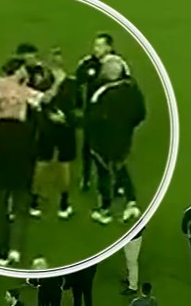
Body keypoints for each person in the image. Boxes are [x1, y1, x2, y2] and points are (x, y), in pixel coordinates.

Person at [0, 58, 64, 266]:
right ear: (17, 71)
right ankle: (15, 249)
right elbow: (45, 99)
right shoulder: (23, 91)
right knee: (20, 205)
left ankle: (1, 250)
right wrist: (58, 80)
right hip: (20, 142)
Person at [87, 55, 145, 225]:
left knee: (104, 173)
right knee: (120, 166)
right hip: (124, 137)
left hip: (103, 141)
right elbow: (140, 113)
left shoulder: (102, 94)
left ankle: (104, 209)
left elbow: (93, 119)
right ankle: (131, 202)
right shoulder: (132, 90)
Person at [75, 33, 130, 191]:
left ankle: (118, 183)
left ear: (109, 47)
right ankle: (86, 178)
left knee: (113, 150)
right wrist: (79, 105)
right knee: (87, 147)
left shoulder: (118, 64)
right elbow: (78, 81)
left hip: (112, 114)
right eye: (95, 45)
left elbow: (127, 85)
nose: (96, 49)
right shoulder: (88, 62)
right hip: (92, 112)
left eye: (100, 46)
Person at [29, 48, 78, 220]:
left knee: (45, 162)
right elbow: (76, 107)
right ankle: (63, 204)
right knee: (60, 164)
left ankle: (35, 202)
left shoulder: (43, 81)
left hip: (51, 126)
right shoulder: (68, 82)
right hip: (61, 127)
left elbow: (42, 101)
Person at [122, 228, 145, 295]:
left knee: (132, 262)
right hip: (128, 238)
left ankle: (133, 287)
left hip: (134, 239)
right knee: (129, 260)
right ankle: (130, 279)